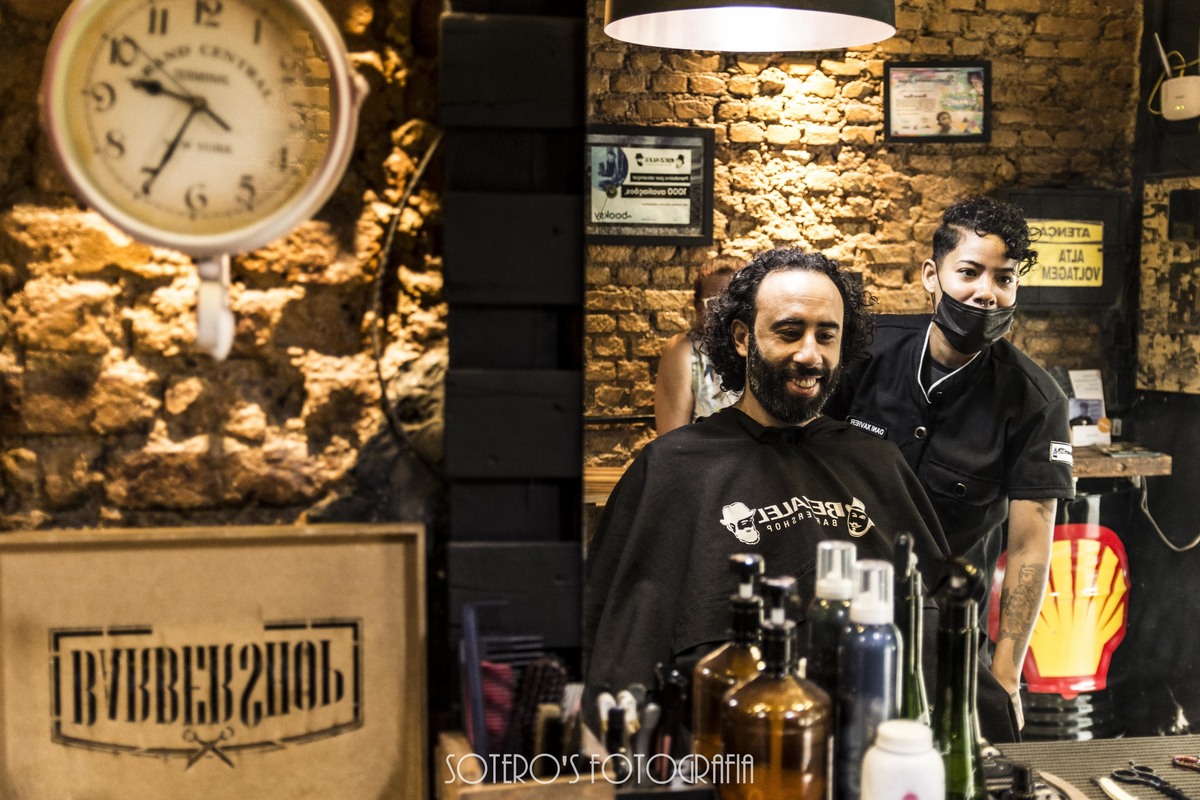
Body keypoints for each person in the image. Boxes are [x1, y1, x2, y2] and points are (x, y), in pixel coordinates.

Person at [583, 248, 951, 706]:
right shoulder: (673, 466)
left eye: (826, 336)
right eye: (789, 332)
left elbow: (942, 632)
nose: (810, 354)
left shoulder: (877, 462)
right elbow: (622, 650)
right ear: (742, 338)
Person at [827, 196, 1075, 742]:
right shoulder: (861, 351)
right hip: (836, 614)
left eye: (1004, 279)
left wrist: (1006, 674)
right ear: (931, 276)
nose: (987, 292)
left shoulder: (1035, 401)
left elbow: (1030, 546)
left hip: (945, 632)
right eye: (969, 272)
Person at [654, 258, 743, 434]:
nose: (726, 311)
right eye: (714, 303)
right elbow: (672, 440)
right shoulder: (685, 351)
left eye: (735, 301)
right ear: (697, 308)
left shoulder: (762, 348)